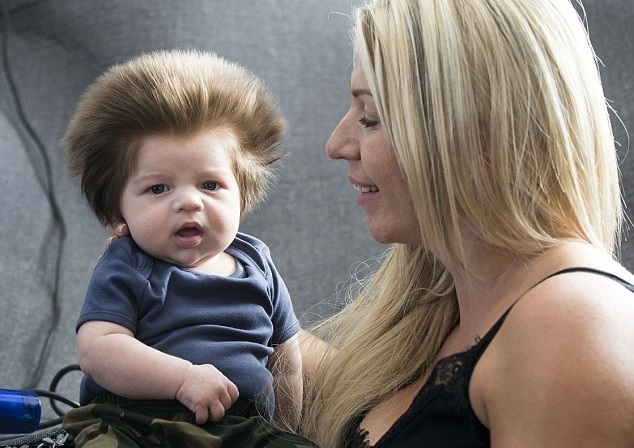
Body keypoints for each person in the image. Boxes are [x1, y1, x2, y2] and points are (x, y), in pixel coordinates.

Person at [297, 0, 634, 447]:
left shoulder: (570, 326)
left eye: (371, 117)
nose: (337, 144)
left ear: (482, 134)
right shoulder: (451, 305)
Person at [61, 49, 315, 448]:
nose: (188, 202)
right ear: (119, 207)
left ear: (243, 193)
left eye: (210, 185)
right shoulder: (127, 262)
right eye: (158, 188)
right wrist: (182, 378)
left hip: (243, 425)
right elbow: (99, 350)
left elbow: (286, 363)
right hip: (135, 419)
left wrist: (285, 428)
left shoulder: (258, 264)